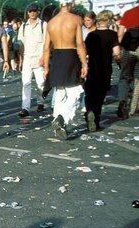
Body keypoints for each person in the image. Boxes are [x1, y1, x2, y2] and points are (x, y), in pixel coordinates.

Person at [43, 0, 88, 139]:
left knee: (60, 92)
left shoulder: (51, 22)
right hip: (70, 55)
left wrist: (46, 67)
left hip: (56, 56)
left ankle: (58, 122)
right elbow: (80, 44)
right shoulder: (76, 19)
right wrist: (85, 64)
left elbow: (46, 48)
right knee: (75, 91)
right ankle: (62, 118)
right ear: (71, 4)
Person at [84, 10, 121, 131]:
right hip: (105, 68)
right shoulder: (112, 34)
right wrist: (119, 62)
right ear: (109, 20)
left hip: (92, 68)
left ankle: (89, 110)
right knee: (100, 94)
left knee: (90, 93)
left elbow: (85, 53)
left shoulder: (91, 35)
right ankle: (96, 119)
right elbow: (117, 53)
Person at [18, 3, 48, 117]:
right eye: (30, 11)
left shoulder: (43, 25)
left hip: (39, 58)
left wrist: (44, 58)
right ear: (28, 13)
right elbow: (20, 44)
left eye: (34, 11)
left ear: (38, 12)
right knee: (26, 83)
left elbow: (46, 43)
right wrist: (20, 60)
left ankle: (41, 102)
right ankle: (25, 108)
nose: (32, 13)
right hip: (27, 58)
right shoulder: (24, 26)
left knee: (41, 84)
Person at [117, 3, 139, 118]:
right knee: (138, 79)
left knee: (124, 77)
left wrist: (119, 50)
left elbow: (120, 34)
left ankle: (122, 102)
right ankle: (134, 107)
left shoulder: (128, 13)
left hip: (128, 48)